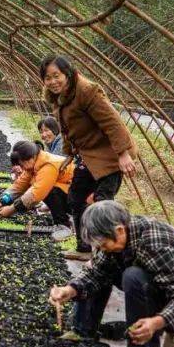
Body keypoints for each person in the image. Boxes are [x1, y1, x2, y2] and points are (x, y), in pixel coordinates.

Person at [47, 201, 174, 347]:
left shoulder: (155, 242)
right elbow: (97, 272)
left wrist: (155, 323)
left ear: (119, 230)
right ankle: (82, 332)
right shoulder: (122, 236)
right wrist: (69, 290)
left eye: (104, 244)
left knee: (133, 276)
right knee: (99, 267)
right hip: (162, 292)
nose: (103, 249)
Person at [41, 55, 136, 261]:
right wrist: (69, 153)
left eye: (56, 76)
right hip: (88, 154)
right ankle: (84, 249)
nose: (53, 82)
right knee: (76, 197)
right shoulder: (59, 98)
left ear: (67, 73)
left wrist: (123, 154)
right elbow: (68, 130)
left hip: (109, 154)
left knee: (102, 203)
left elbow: (112, 122)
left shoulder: (86, 91)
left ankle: (110, 254)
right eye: (48, 78)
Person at [0, 140, 74, 241]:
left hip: (80, 200)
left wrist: (11, 209)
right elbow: (18, 186)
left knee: (49, 189)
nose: (21, 168)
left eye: (21, 164)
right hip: (70, 195)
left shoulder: (48, 165)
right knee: (46, 188)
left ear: (29, 159)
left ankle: (64, 226)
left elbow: (36, 194)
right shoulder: (34, 164)